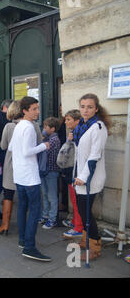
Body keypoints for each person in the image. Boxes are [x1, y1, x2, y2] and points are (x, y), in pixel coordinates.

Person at [8, 96, 51, 262]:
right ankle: (29, 247)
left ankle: (23, 240)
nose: (37, 111)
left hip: (19, 174)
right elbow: (27, 151)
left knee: (22, 207)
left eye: (37, 108)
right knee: (35, 210)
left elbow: (12, 147)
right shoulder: (29, 127)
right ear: (25, 110)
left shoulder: (18, 126)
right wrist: (44, 146)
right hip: (29, 176)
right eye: (34, 109)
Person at [0, 101, 42, 235]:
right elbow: (38, 144)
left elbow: (3, 146)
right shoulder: (34, 126)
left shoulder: (9, 126)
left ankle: (5, 225)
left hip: (11, 164)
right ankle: (26, 229)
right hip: (27, 166)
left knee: (8, 195)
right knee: (25, 200)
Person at [72, 93, 110, 261]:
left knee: (85, 212)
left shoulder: (98, 127)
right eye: (82, 106)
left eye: (89, 107)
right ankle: (86, 239)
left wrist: (83, 177)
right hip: (79, 176)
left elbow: (94, 156)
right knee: (82, 210)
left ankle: (94, 247)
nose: (85, 110)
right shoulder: (82, 124)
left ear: (96, 108)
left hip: (90, 178)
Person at [60, 109, 83, 239]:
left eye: (69, 119)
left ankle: (78, 227)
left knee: (76, 201)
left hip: (75, 172)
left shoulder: (76, 134)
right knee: (74, 199)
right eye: (66, 119)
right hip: (71, 171)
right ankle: (75, 221)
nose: (66, 122)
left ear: (77, 121)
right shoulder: (73, 133)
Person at [40, 117, 61, 230]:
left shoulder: (54, 140)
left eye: (46, 127)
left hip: (51, 171)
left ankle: (52, 219)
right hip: (46, 171)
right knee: (45, 194)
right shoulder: (48, 138)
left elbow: (44, 152)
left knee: (51, 196)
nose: (44, 129)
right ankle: (45, 215)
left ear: (52, 129)